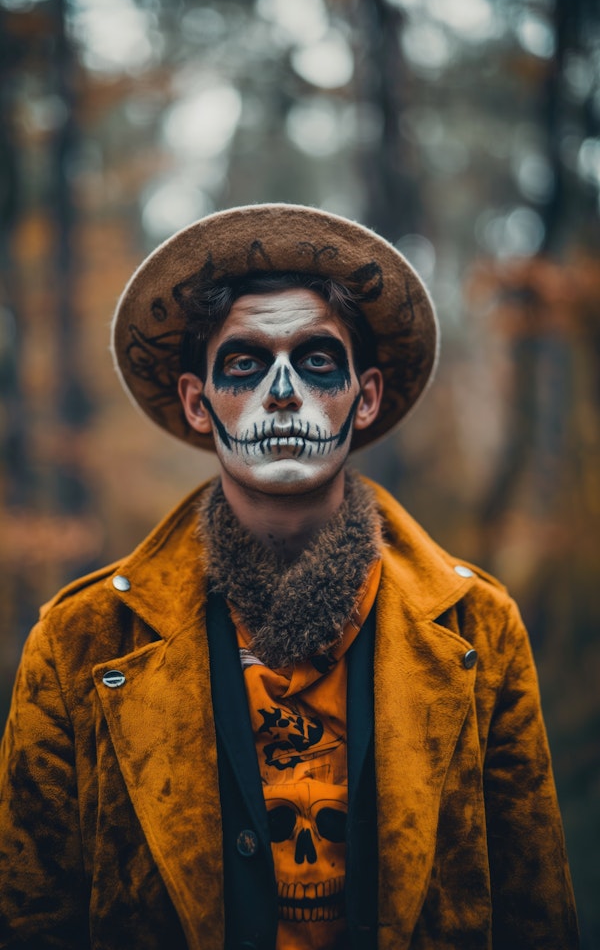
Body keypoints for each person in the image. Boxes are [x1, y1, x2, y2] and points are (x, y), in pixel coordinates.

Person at [0, 204, 578, 950]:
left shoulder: (478, 628)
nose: (281, 390)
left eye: (315, 360)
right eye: (244, 362)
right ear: (197, 401)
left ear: (363, 398)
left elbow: (538, 914)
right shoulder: (78, 643)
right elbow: (31, 919)